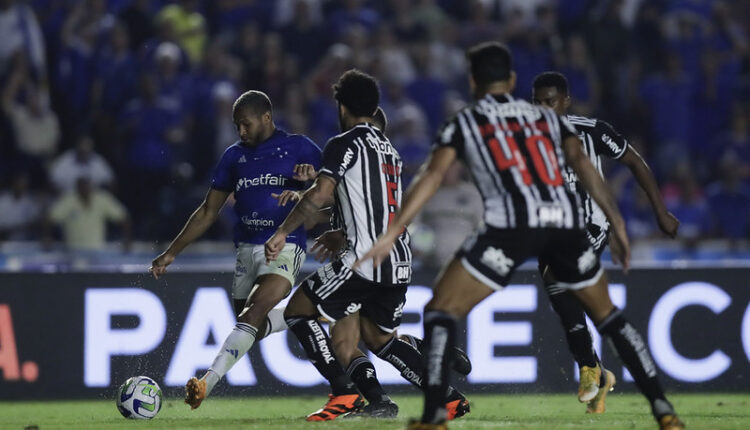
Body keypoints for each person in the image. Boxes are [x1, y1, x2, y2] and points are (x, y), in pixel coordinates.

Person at [356, 42, 684, 430]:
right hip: (564, 224)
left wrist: (394, 230)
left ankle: (434, 416)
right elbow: (582, 162)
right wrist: (619, 224)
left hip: (510, 226)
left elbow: (433, 175)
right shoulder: (548, 118)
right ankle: (663, 409)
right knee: (609, 317)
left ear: (473, 81)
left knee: (441, 310)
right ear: (511, 80)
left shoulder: (467, 121)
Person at [265, 70, 469, 421]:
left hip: (363, 259)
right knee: (379, 339)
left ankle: (344, 394)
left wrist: (284, 230)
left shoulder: (343, 143)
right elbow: (369, 203)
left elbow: (324, 194)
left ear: (341, 106)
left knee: (298, 310)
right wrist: (339, 225)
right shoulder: (389, 150)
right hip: (398, 259)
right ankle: (448, 398)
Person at [148, 90, 322, 409]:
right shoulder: (233, 156)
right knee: (249, 322)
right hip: (245, 250)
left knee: (254, 310)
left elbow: (336, 193)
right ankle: (311, 310)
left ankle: (205, 383)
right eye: (236, 126)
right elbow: (207, 211)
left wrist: (311, 185)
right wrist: (172, 252)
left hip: (285, 245)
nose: (241, 131)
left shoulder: (301, 148)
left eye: (246, 124)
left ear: (266, 118)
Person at [531, 71, 680, 413]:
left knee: (559, 277)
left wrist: (660, 210)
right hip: (547, 231)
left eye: (549, 102)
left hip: (590, 224)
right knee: (565, 297)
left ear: (565, 101)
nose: (542, 109)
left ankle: (588, 368)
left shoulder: (590, 131)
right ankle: (599, 374)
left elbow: (634, 161)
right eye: (537, 102)